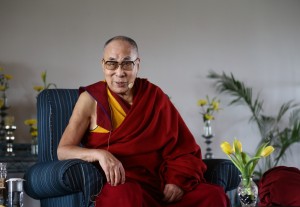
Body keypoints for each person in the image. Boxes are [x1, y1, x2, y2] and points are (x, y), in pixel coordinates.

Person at [57, 36, 229, 207]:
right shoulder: (91, 100)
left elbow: (184, 148)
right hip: (124, 183)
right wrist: (99, 154)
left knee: (212, 196)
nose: (119, 72)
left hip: (161, 185)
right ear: (103, 65)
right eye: (112, 63)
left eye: (127, 63)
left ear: (137, 65)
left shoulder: (154, 96)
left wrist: (177, 180)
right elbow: (63, 150)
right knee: (126, 197)